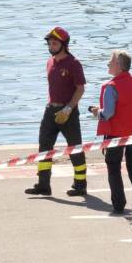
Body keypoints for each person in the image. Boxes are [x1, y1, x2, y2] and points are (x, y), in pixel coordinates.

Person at [26, 27, 88, 197]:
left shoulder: (73, 63)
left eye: (54, 43)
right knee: (44, 147)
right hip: (50, 110)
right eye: (50, 43)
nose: (51, 46)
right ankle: (43, 184)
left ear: (64, 44)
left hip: (68, 112)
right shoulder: (50, 62)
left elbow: (80, 89)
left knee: (75, 149)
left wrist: (68, 108)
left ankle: (80, 184)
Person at [89, 50, 132, 215]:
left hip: (116, 134)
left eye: (110, 61)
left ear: (118, 66)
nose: (108, 64)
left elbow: (108, 113)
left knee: (113, 167)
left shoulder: (111, 87)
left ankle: (118, 204)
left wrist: (96, 112)